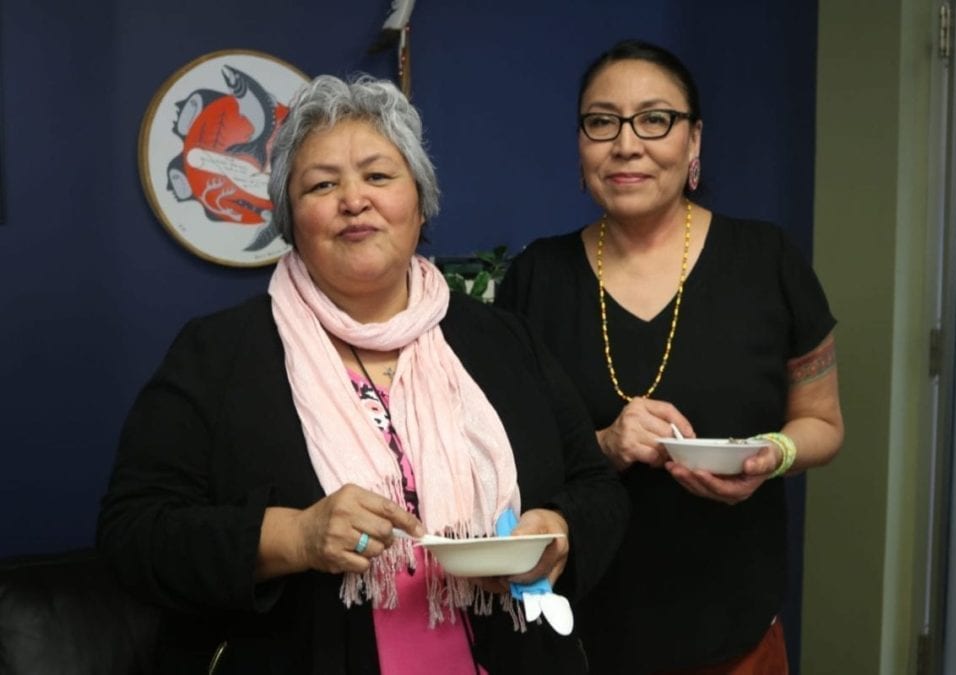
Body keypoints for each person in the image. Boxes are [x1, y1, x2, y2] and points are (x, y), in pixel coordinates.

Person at [97, 74, 628, 675]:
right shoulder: (216, 353)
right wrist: (294, 537)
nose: (354, 200)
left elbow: (595, 486)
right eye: (322, 184)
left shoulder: (503, 339)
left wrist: (558, 531)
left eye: (378, 176)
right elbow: (132, 535)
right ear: (290, 219)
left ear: (420, 201)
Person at [495, 39, 844, 674]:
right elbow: (502, 461)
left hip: (733, 642)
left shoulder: (768, 262)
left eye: (655, 119)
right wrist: (604, 445)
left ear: (694, 142)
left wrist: (772, 456)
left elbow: (822, 424)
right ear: (581, 147)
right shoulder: (535, 279)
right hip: (571, 640)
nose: (626, 144)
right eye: (602, 122)